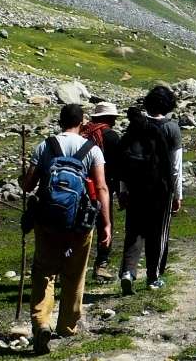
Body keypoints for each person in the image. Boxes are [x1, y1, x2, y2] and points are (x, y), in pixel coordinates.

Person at [21, 104, 112, 352]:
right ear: (82, 123)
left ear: (60, 121)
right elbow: (102, 188)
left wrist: (24, 177)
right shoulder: (92, 149)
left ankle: (41, 322)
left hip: (47, 221)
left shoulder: (44, 146)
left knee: (43, 272)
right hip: (80, 223)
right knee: (75, 273)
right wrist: (106, 223)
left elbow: (28, 185)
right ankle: (67, 326)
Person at [118, 85, 184, 295]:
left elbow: (125, 160)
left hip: (136, 187)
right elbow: (176, 167)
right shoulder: (171, 128)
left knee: (134, 231)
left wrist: (123, 189)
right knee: (158, 233)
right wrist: (178, 194)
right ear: (168, 105)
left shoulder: (135, 125)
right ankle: (153, 277)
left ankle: (128, 272)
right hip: (161, 190)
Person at [82, 101, 123, 282]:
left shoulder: (83, 134)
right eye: (113, 117)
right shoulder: (112, 137)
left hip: (79, 186)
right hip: (102, 186)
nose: (114, 120)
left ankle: (71, 265)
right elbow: (118, 166)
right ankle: (101, 264)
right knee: (105, 225)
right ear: (109, 118)